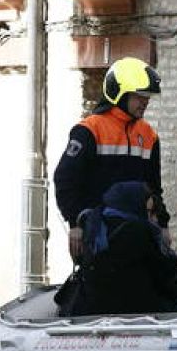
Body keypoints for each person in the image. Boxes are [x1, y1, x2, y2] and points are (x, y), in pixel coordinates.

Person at [54, 56, 171, 262]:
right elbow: (65, 179)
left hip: (138, 232)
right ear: (119, 93)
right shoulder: (90, 129)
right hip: (99, 231)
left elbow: (154, 186)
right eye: (140, 95)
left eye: (148, 96)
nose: (146, 101)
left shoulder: (149, 135)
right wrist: (75, 223)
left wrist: (162, 224)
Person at [55, 181, 177, 316]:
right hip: (141, 312)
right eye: (148, 212)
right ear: (134, 206)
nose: (153, 219)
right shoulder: (139, 232)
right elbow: (166, 278)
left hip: (92, 310)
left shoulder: (96, 226)